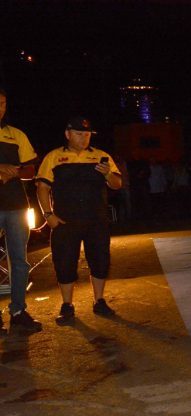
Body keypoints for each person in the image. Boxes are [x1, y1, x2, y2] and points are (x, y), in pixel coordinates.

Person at [36, 117, 122, 325]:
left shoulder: (101, 156)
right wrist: (48, 215)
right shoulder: (54, 157)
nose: (84, 138)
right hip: (65, 221)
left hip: (96, 219)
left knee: (100, 260)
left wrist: (108, 174)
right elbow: (42, 188)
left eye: (87, 134)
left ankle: (99, 300)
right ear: (67, 134)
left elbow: (117, 184)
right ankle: (67, 305)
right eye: (78, 134)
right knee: (64, 262)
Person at [0, 87, 42, 335]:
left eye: (3, 103)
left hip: (16, 205)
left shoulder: (16, 134)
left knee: (19, 261)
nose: (0, 108)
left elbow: (30, 170)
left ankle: (18, 311)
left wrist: (11, 172)